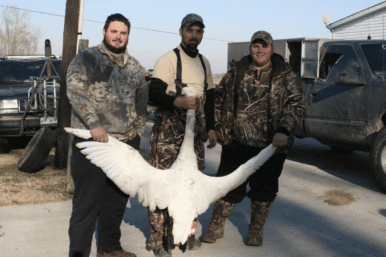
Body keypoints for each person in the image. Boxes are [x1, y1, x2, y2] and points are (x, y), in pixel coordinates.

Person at [201, 30, 305, 247]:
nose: (260, 50)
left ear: (272, 49)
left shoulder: (286, 75)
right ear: (251, 48)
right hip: (236, 144)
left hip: (270, 147)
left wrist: (283, 131)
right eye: (256, 46)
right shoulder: (235, 72)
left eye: (264, 46)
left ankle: (256, 229)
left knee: (264, 189)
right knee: (227, 187)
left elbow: (296, 104)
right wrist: (217, 128)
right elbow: (218, 100)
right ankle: (216, 226)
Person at [66, 13, 147, 257]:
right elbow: (75, 91)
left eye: (123, 33)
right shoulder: (87, 58)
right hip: (93, 143)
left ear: (127, 36)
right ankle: (79, 253)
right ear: (104, 31)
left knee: (116, 201)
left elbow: (141, 102)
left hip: (123, 146)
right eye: (114, 31)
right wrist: (93, 125)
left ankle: (109, 248)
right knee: (86, 203)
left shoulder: (135, 67)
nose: (118, 36)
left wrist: (138, 133)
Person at [146, 13, 217, 257]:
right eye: (190, 30)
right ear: (181, 32)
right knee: (160, 186)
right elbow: (153, 93)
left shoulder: (204, 63)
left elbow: (209, 99)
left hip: (194, 136)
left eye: (199, 31)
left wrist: (211, 128)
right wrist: (177, 101)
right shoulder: (168, 59)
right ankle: (157, 240)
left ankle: (186, 234)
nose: (194, 35)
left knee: (191, 186)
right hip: (168, 136)